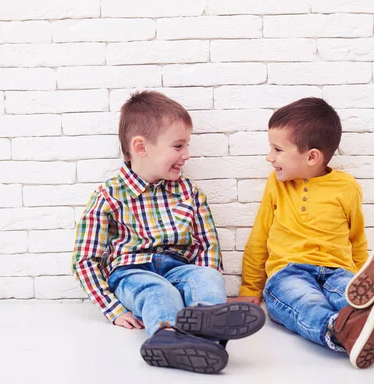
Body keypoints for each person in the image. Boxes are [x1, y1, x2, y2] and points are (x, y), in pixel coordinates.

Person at [72, 91, 265, 374]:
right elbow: (85, 259)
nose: (186, 155)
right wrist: (114, 309)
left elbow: (206, 245)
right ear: (141, 147)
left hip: (179, 269)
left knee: (207, 274)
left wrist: (205, 281)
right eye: (178, 146)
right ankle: (165, 336)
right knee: (158, 291)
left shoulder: (188, 192)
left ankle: (206, 322)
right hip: (131, 272)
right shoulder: (109, 196)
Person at [230, 97, 374, 368]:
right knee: (305, 300)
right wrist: (251, 288)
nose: (269, 157)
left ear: (312, 157)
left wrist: (355, 276)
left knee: (347, 294)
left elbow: (356, 238)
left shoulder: (346, 187)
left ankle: (365, 309)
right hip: (288, 271)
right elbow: (260, 235)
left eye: (277, 149)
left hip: (337, 269)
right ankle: (339, 328)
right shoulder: (278, 184)